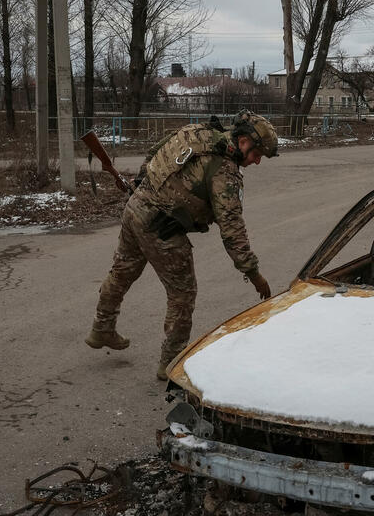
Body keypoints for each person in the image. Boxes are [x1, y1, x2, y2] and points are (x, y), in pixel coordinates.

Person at [85, 110, 277, 380]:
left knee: (122, 272)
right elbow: (232, 228)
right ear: (244, 141)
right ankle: (172, 361)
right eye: (258, 154)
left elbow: (155, 152)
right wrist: (253, 274)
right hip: (161, 228)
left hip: (135, 209)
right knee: (182, 294)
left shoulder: (198, 132)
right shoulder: (224, 169)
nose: (257, 161)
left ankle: (101, 327)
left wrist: (143, 183)